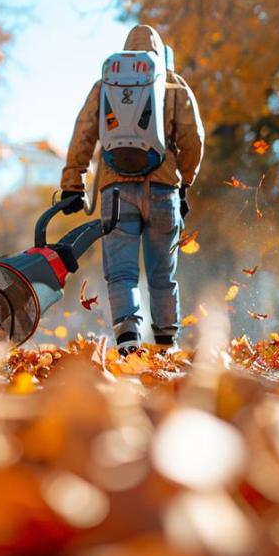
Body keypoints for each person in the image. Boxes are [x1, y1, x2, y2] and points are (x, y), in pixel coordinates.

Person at [59, 24, 203, 355]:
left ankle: (128, 340)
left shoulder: (105, 85)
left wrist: (72, 184)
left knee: (121, 273)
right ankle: (166, 344)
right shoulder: (174, 85)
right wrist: (185, 182)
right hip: (163, 190)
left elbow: (83, 134)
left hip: (115, 192)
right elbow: (193, 138)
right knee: (162, 275)